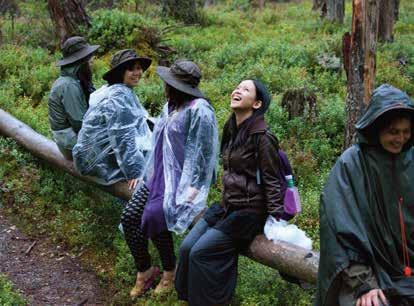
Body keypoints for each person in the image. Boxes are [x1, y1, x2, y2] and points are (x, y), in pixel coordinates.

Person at [175, 79, 285, 306]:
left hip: (249, 213)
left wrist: (276, 220)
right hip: (228, 206)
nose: (237, 90)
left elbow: (273, 180)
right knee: (187, 248)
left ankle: (214, 302)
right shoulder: (231, 127)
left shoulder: (262, 137)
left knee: (201, 253)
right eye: (237, 86)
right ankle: (189, 298)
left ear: (256, 104)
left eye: (246, 90)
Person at [120, 60, 218, 297]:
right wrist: (143, 171)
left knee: (155, 216)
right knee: (130, 217)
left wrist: (194, 187)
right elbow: (158, 141)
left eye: (168, 83)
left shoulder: (199, 110)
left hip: (180, 180)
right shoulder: (172, 104)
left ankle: (169, 272)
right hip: (158, 173)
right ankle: (144, 270)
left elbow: (205, 152)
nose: (165, 86)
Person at [316, 84, 414, 306]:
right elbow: (338, 230)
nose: (401, 139)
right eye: (393, 132)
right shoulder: (351, 164)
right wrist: (363, 283)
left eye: (406, 131)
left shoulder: (411, 160)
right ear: (376, 128)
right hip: (365, 271)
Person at [72, 49, 152, 188]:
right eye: (130, 69)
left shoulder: (116, 89)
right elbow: (122, 136)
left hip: (93, 154)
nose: (137, 73)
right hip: (97, 162)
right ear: (120, 72)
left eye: (138, 68)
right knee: (146, 172)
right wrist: (134, 171)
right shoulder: (118, 96)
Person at [48, 36, 99, 160]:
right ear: (81, 61)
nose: (92, 61)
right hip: (71, 146)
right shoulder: (69, 85)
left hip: (69, 141)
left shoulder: (73, 80)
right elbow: (79, 123)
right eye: (89, 58)